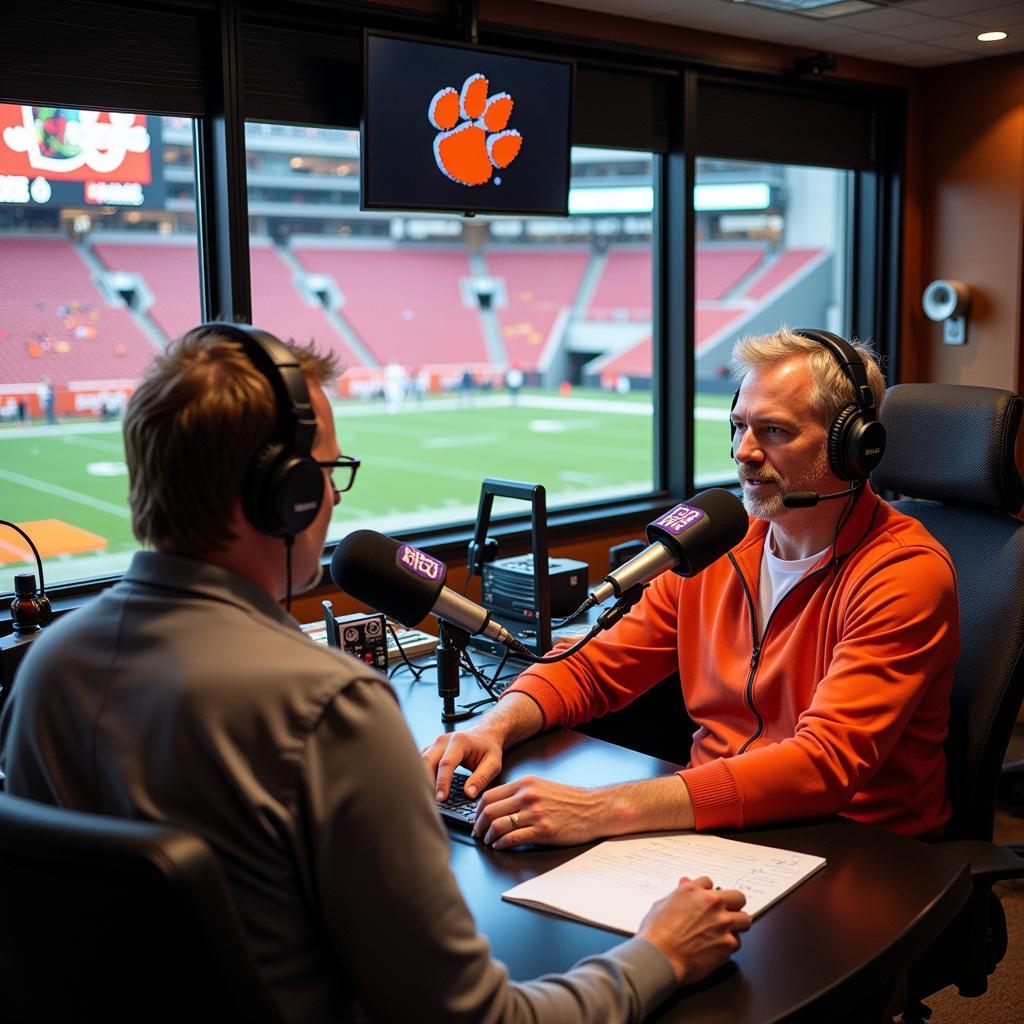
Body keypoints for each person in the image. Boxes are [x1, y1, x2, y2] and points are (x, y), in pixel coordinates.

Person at [0, 322, 750, 1024]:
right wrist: (658, 955)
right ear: (286, 492)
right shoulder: (327, 706)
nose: (331, 495)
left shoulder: (46, 670)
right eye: (326, 472)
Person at [425, 327, 959, 851]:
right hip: (717, 830)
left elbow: (822, 765)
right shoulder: (713, 546)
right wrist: (494, 727)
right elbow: (594, 665)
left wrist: (604, 808)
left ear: (853, 448)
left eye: (774, 431)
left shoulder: (904, 574)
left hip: (859, 849)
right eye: (738, 426)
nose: (744, 451)